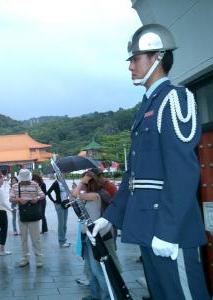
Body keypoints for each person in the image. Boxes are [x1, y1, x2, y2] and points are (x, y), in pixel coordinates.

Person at [91, 23, 209, 299]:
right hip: (148, 228)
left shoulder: (174, 100)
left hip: (171, 231)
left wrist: (168, 231)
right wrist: (110, 218)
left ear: (157, 56)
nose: (130, 66)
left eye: (135, 58)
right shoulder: (147, 106)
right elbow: (134, 177)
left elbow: (182, 173)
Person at [73, 171, 120, 300]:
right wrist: (82, 183)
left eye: (85, 183)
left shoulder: (95, 195)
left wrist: (82, 182)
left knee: (97, 270)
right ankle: (94, 295)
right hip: (89, 237)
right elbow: (74, 196)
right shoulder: (92, 195)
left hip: (97, 237)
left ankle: (109, 296)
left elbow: (75, 194)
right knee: (92, 269)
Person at [10, 169, 45, 267]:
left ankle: (39, 259)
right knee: (23, 238)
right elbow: (10, 198)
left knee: (36, 238)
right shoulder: (15, 186)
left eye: (27, 180)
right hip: (22, 214)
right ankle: (25, 258)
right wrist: (18, 199)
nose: (26, 182)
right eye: (24, 180)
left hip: (33, 214)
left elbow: (42, 195)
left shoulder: (34, 184)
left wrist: (36, 198)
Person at [46, 177, 70, 247]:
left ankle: (64, 239)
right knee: (61, 224)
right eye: (61, 173)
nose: (63, 174)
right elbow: (48, 192)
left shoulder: (64, 182)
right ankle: (61, 241)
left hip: (66, 204)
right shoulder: (56, 183)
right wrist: (54, 201)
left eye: (64, 173)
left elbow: (67, 193)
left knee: (64, 224)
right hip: (59, 205)